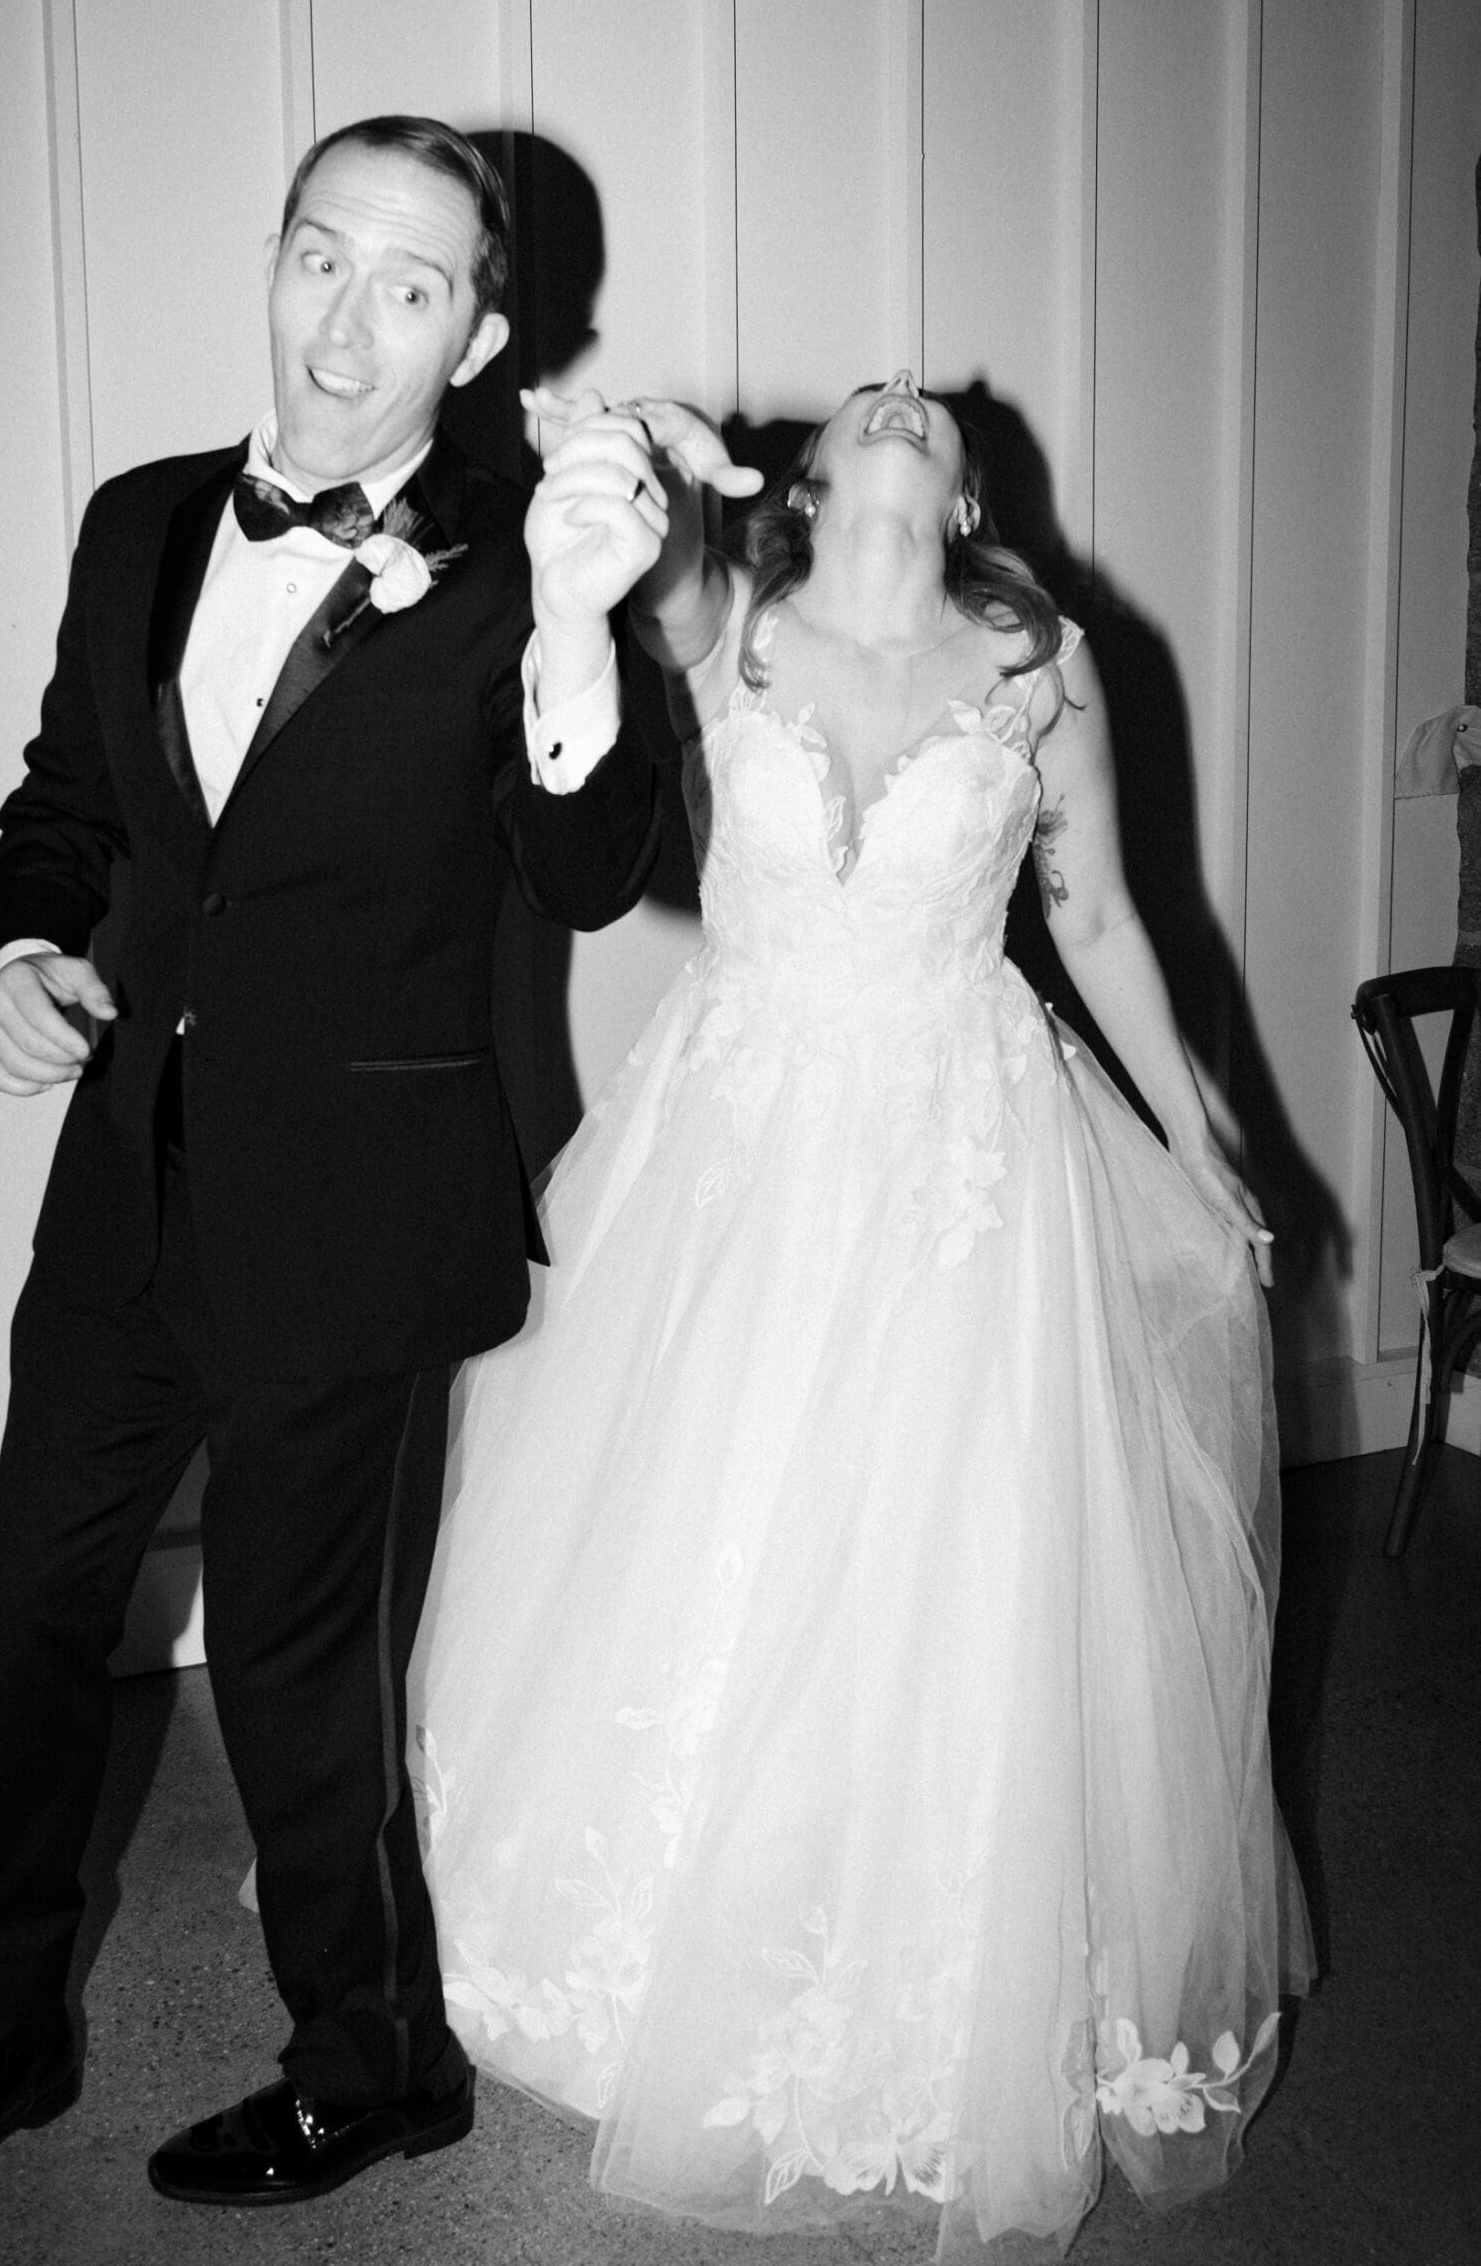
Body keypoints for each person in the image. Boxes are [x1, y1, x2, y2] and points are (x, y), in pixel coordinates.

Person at [0, 117, 726, 2248]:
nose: (343, 314)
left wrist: (589, 629)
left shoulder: (527, 560)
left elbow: (594, 872)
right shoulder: (139, 522)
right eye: (318, 254)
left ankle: (370, 2064)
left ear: (478, 335)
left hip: (360, 1200)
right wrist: (24, 945)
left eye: (406, 284)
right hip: (125, 1189)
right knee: (33, 1616)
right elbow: (69, 803)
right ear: (275, 258)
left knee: (305, 1667)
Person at [408, 376, 1311, 2255]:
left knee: (941, 1558)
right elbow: (573, 575)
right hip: (730, 1136)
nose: (902, 389)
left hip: (958, 1154)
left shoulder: (1045, 663)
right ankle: (665, 1929)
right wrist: (620, 446)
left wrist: (1209, 1143)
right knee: (705, 1519)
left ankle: (913, 1953)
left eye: (938, 407)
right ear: (815, 480)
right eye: (872, 399)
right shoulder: (719, 606)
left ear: (968, 486)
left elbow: (1114, 924)